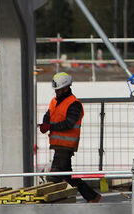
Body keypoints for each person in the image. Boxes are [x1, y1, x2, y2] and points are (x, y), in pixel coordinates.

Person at [40, 72, 101, 203]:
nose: (56, 92)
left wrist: (50, 126)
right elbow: (48, 114)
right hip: (58, 144)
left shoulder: (74, 104)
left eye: (59, 90)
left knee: (57, 174)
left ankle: (48, 200)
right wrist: (45, 123)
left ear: (66, 88)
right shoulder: (54, 101)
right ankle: (92, 196)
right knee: (66, 174)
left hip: (66, 145)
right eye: (56, 90)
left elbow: (68, 123)